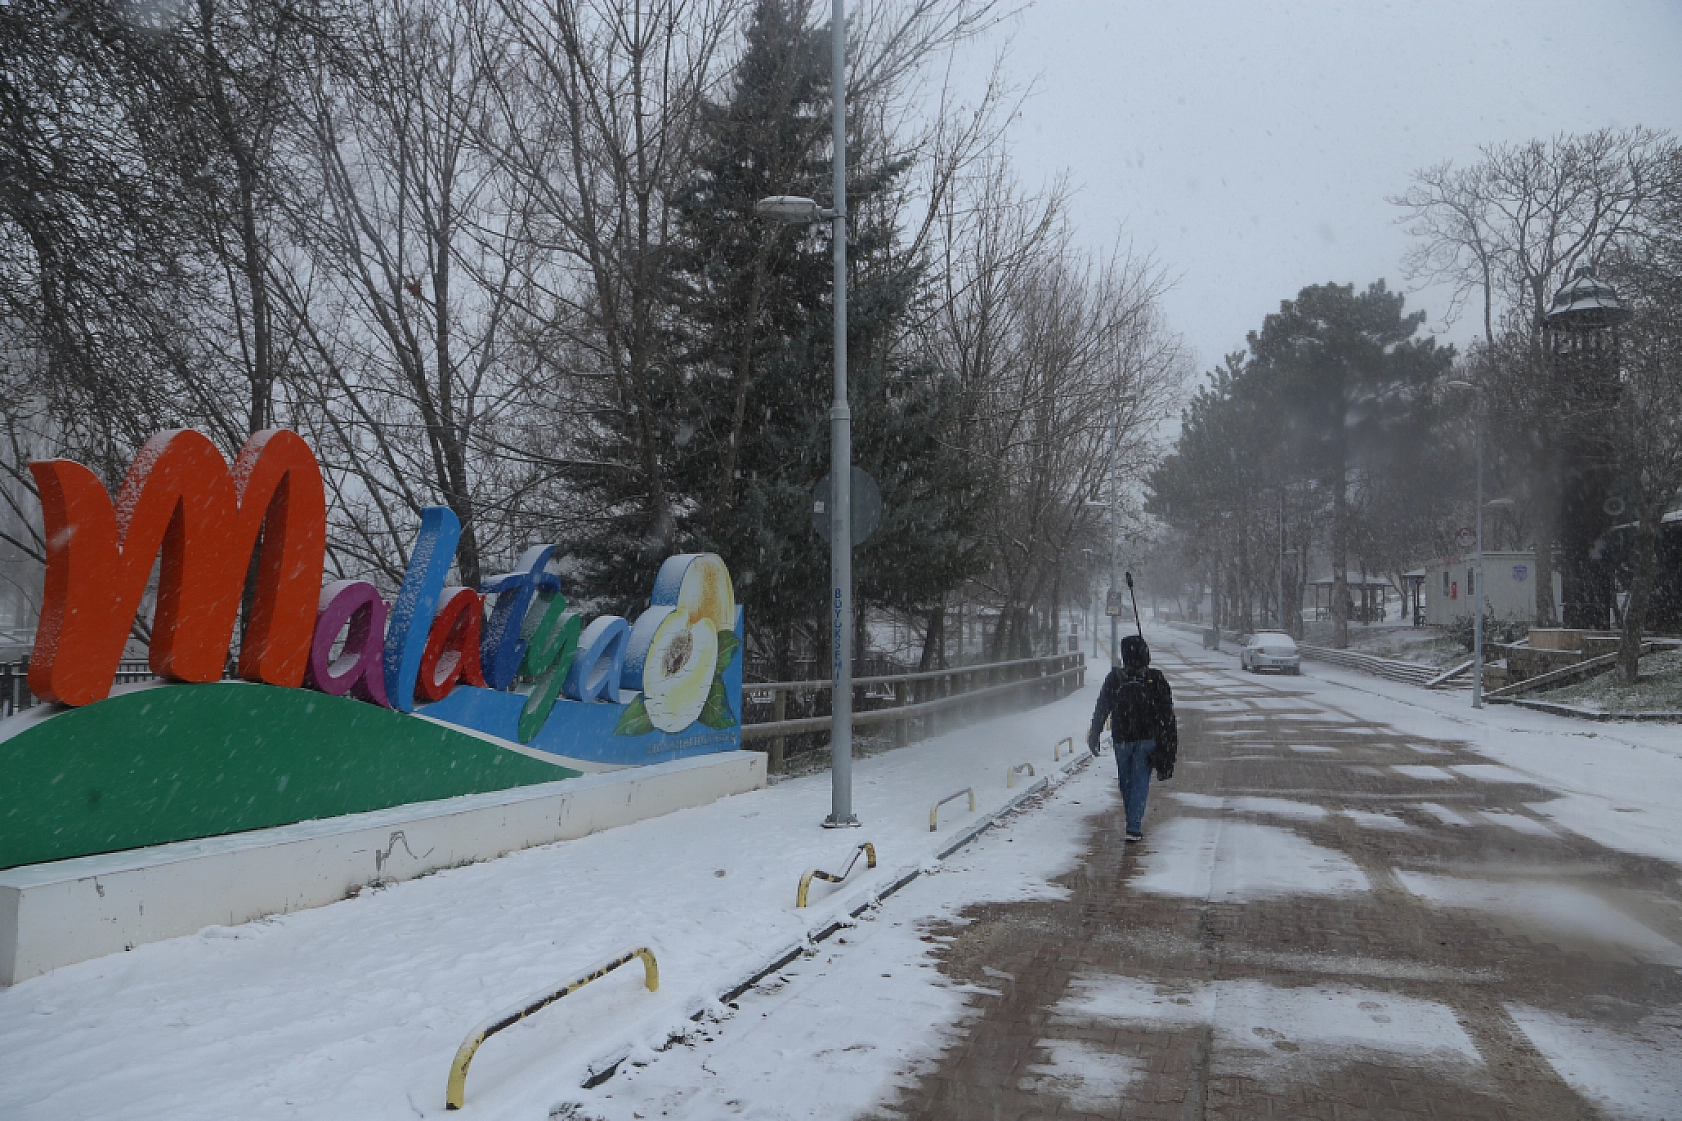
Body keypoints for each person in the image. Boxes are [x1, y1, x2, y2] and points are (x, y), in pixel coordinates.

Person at [1087, 634, 1177, 843]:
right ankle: (1133, 825)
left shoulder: (1115, 678)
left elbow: (1102, 707)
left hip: (1121, 738)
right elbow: (1167, 714)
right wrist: (1169, 744)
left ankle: (1132, 819)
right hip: (1147, 739)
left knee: (1125, 782)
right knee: (1140, 782)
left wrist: (1095, 732)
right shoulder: (1155, 679)